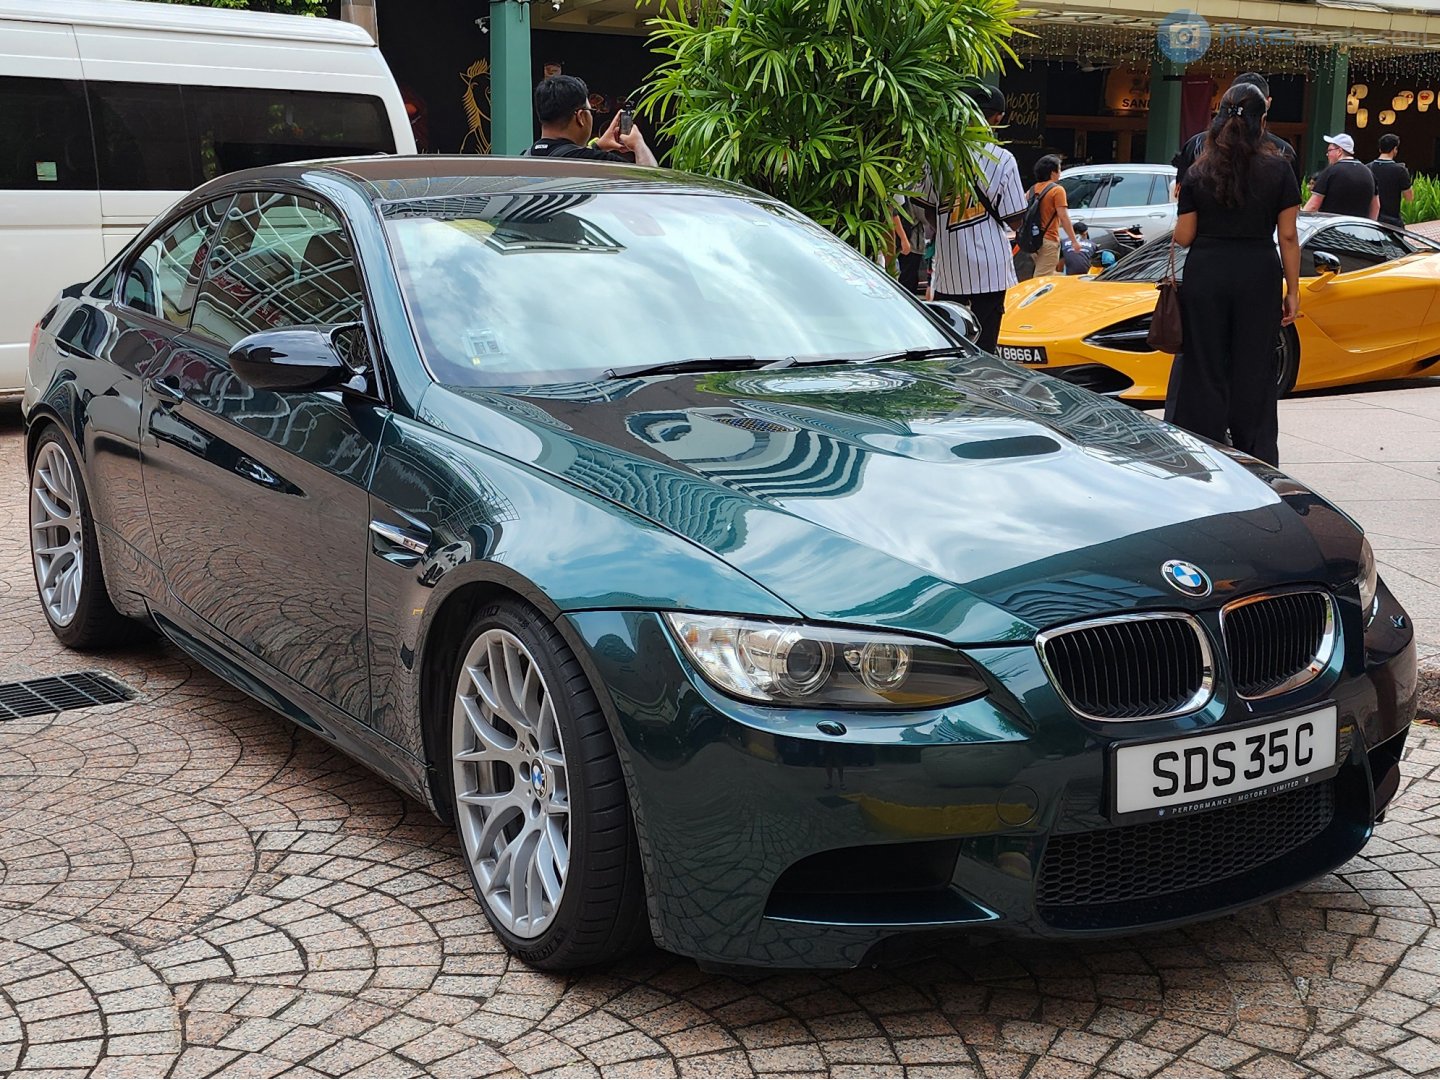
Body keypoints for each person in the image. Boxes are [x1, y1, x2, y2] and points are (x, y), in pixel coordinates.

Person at [1168, 82, 1300, 468]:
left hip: (1207, 270)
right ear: (1263, 119)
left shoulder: (1198, 170)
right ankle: (1255, 455)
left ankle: (1202, 450)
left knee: (1204, 361)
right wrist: (1293, 290)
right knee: (1254, 365)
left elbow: (1183, 236)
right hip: (1258, 270)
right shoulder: (1279, 168)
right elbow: (1288, 235)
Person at [919, 85, 1026, 353]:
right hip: (991, 267)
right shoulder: (1003, 159)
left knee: (950, 344)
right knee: (986, 345)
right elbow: (1015, 218)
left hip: (950, 266)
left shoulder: (937, 156)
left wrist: (948, 227)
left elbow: (927, 208)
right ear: (997, 118)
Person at [1172, 73, 1297, 195]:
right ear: (1267, 103)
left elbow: (1181, 195)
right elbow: (1290, 205)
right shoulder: (1283, 151)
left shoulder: (1197, 145)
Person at [525, 74, 656, 166]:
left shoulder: (526, 158)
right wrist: (639, 144)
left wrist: (598, 147)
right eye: (590, 110)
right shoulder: (602, 162)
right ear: (580, 117)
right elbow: (653, 190)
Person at [1027, 156, 1080, 278]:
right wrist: (1074, 241)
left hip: (1033, 240)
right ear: (1052, 172)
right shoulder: (1057, 190)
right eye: (1059, 169)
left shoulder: (1032, 189)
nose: (1060, 173)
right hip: (1049, 240)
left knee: (1049, 273)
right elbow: (1063, 217)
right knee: (1041, 279)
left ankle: (1067, 289)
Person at [1305, 134, 1378, 219]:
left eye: (1329, 150)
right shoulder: (1368, 172)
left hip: (1333, 228)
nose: (1327, 154)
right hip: (1359, 229)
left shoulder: (1330, 172)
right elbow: (1376, 206)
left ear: (1339, 151)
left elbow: (1313, 206)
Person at [1369, 133, 1414, 227]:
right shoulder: (1400, 170)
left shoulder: (1367, 168)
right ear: (1394, 149)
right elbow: (1409, 198)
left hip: (1371, 221)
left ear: (1380, 149)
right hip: (1392, 222)